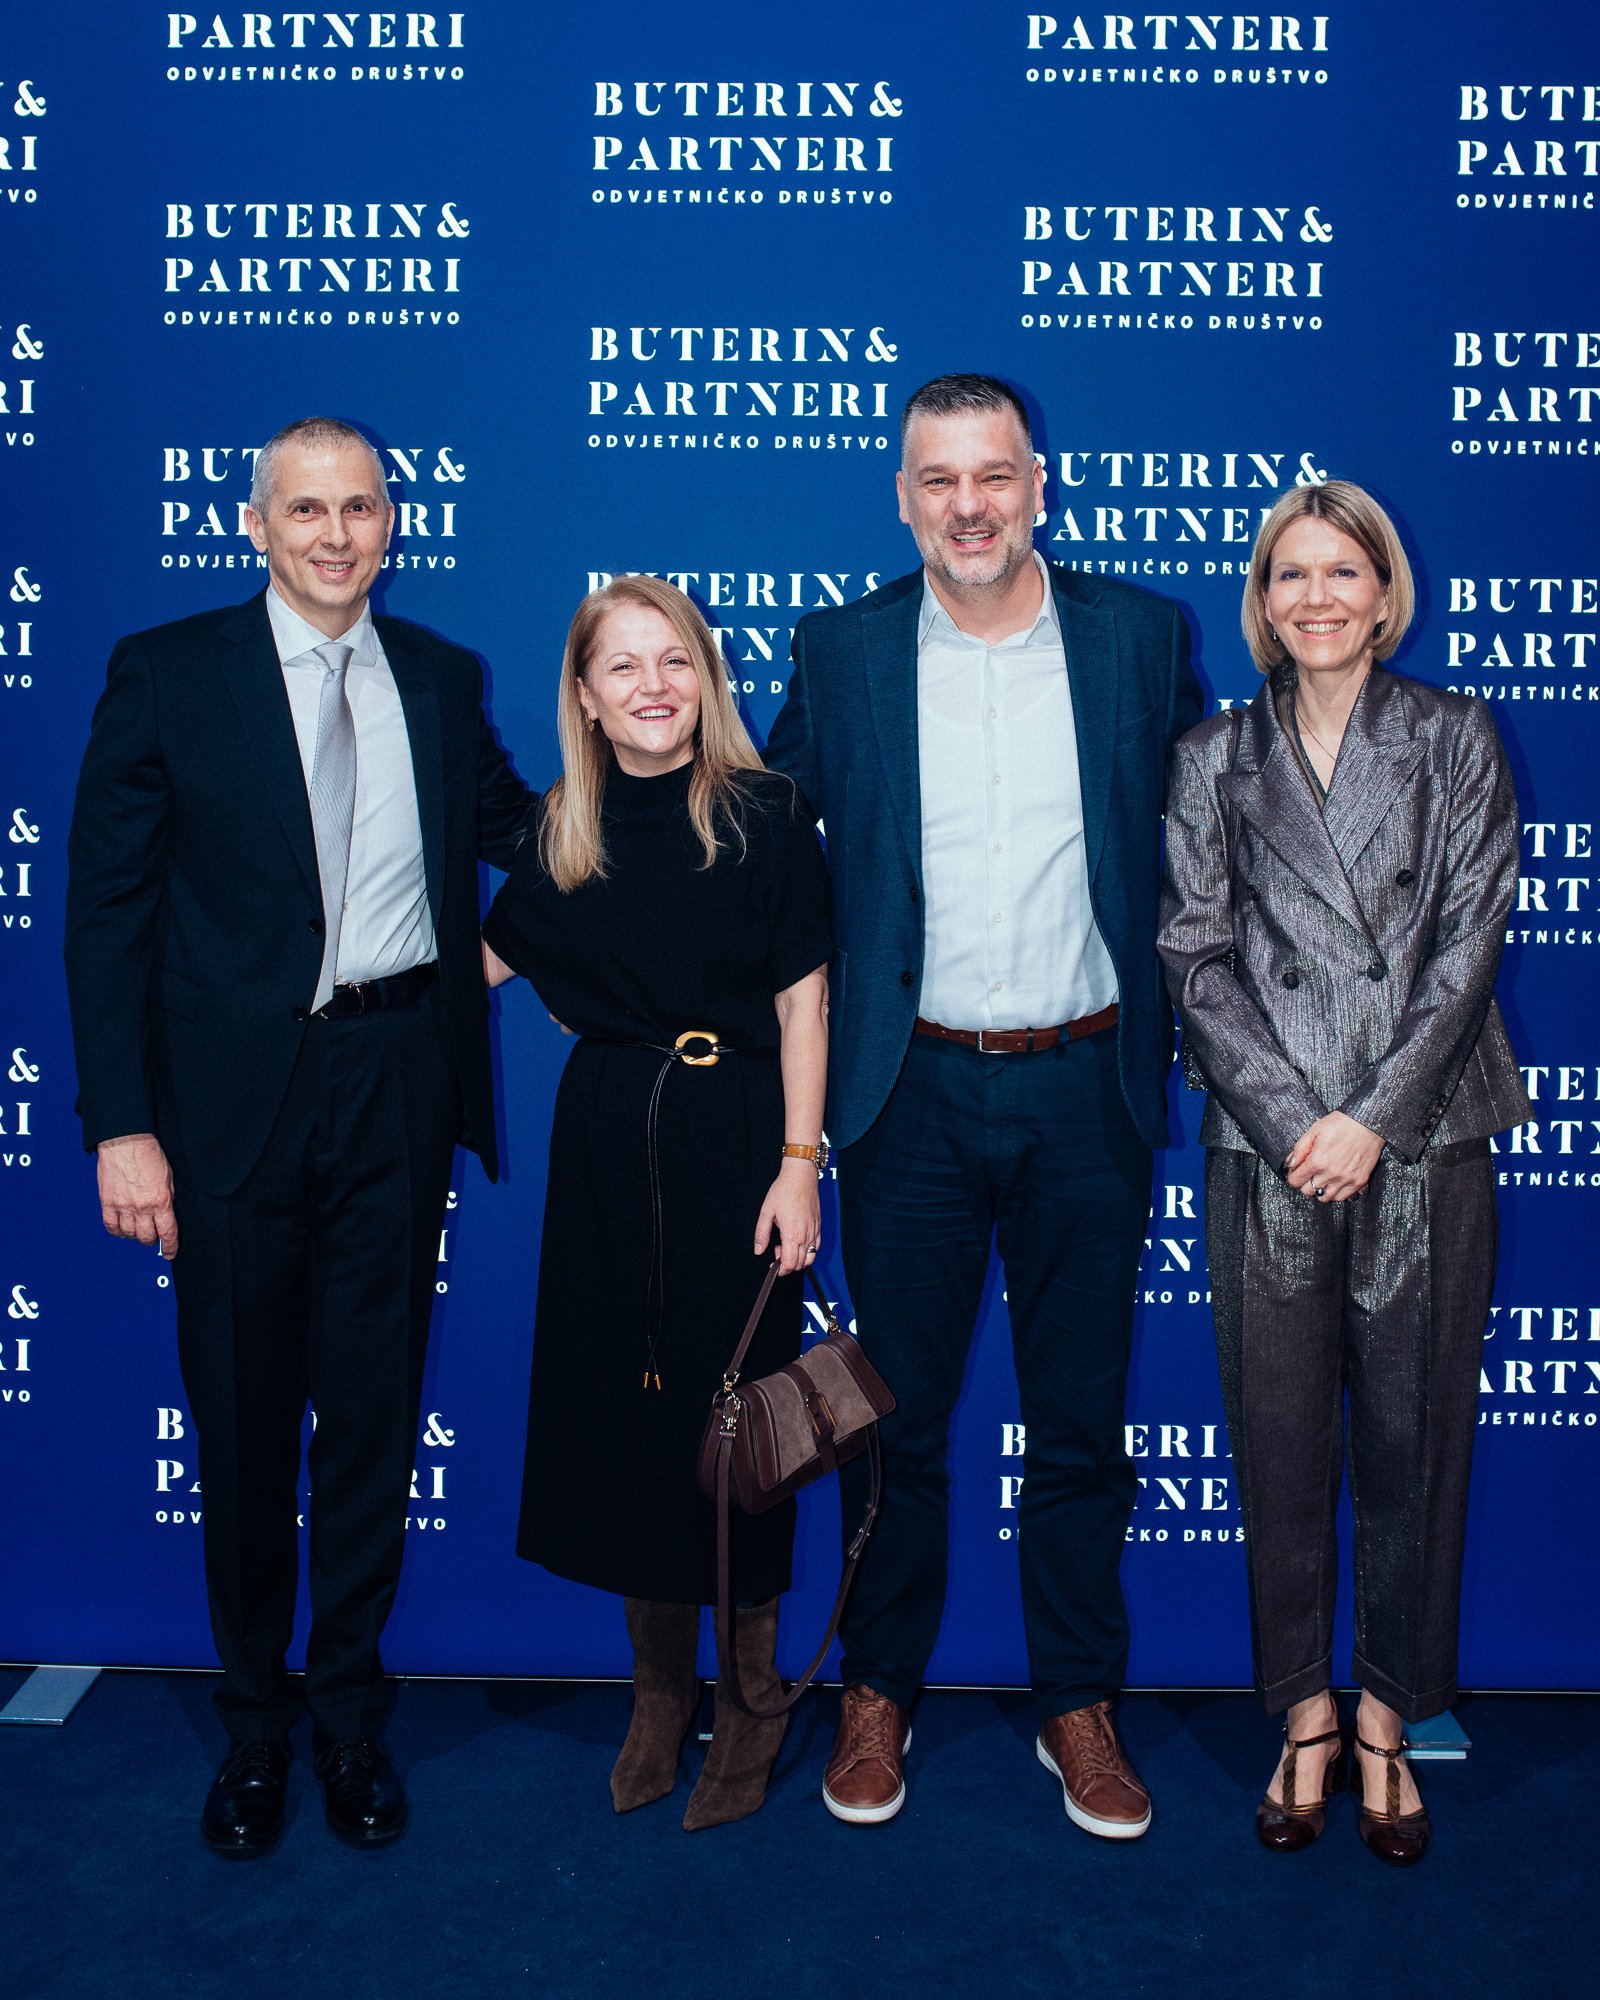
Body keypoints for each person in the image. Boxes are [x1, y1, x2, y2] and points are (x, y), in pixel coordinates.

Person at [64, 416, 534, 1857]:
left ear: (395, 523)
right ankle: (255, 1727)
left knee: (374, 1427)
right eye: (307, 509)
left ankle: (348, 1720)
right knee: (249, 1423)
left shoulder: (443, 681)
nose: (337, 534)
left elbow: (528, 834)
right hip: (227, 1107)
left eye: (362, 508)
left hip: (399, 1080)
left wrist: (683, 769)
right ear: (258, 526)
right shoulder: (168, 672)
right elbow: (107, 919)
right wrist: (123, 1129)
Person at [765, 374, 1202, 1836]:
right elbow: (758, 848)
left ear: (1039, 485)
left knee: (1081, 1423)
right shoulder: (844, 649)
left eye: (994, 476)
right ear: (903, 497)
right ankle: (876, 1689)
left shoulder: (1141, 637)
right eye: (938, 480)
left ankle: (1077, 1702)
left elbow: (1210, 850)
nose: (969, 505)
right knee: (898, 1421)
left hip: (1090, 1086)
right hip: (914, 1096)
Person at [1157, 480, 1531, 1866]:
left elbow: (1469, 943)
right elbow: (1192, 953)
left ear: (1386, 594)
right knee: (1280, 1442)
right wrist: (1287, 1110)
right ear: (1262, 602)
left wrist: (1371, 1112)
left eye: (1342, 573)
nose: (1316, 598)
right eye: (1290, 576)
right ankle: (1301, 1716)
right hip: (1266, 1150)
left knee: (1412, 1444)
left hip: (1423, 1137)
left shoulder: (1455, 740)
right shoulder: (1213, 757)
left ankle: (1389, 1716)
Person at [480, 574, 832, 1832]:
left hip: (740, 1143)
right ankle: (654, 1694)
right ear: (582, 692)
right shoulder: (562, 832)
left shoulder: (766, 812)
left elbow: (804, 999)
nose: (652, 686)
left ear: (706, 676)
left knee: (736, 1423)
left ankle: (749, 1700)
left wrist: (800, 1162)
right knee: (626, 1418)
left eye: (673, 660)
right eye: (622, 666)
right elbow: (474, 963)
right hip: (606, 1149)